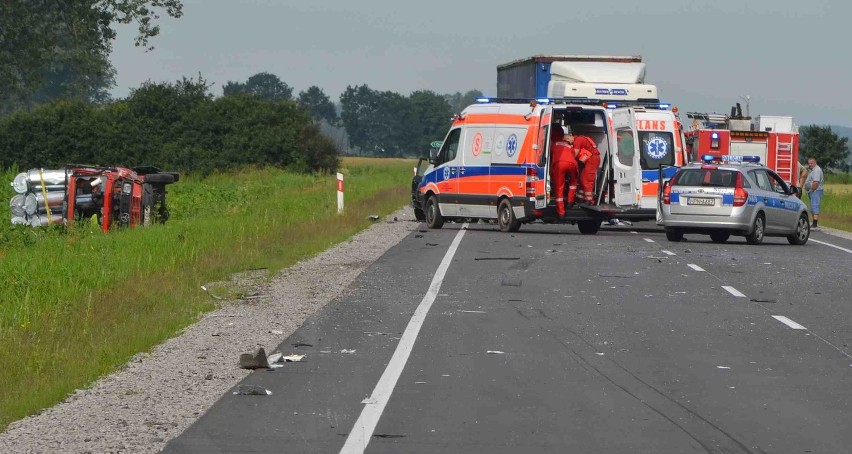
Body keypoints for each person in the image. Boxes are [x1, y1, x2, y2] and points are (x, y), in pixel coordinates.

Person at [549, 125, 578, 217]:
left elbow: (548, 155)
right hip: (572, 163)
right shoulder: (569, 145)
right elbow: (574, 154)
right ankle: (570, 201)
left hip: (559, 164)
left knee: (559, 187)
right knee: (573, 182)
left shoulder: (554, 144)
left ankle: (561, 211)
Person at [568, 132, 601, 205]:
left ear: (568, 138)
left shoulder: (577, 141)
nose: (569, 144)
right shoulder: (581, 138)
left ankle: (590, 200)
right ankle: (581, 198)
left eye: (568, 141)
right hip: (590, 159)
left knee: (587, 180)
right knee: (582, 178)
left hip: (592, 159)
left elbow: (575, 153)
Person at [803, 157, 824, 229]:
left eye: (811, 163)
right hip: (813, 191)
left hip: (816, 191)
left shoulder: (817, 170)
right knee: (812, 207)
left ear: (815, 162)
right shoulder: (812, 170)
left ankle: (815, 224)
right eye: (809, 163)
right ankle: (813, 223)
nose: (810, 165)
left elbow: (816, 182)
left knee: (815, 206)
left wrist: (811, 190)